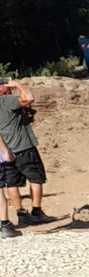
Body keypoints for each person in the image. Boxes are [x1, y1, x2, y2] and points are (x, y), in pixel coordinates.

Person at [0, 80, 51, 227]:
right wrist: (17, 85)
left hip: (6, 150)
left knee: (11, 182)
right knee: (36, 178)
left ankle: (21, 214)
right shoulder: (7, 100)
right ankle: (36, 212)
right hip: (24, 147)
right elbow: (29, 98)